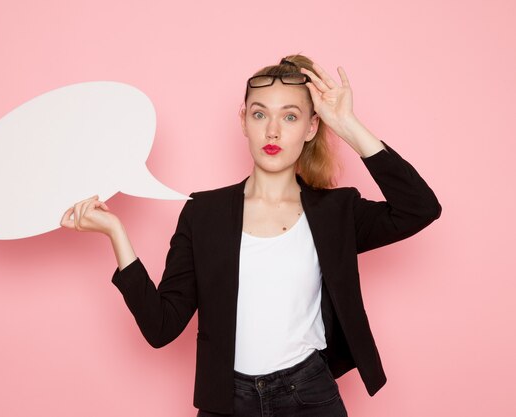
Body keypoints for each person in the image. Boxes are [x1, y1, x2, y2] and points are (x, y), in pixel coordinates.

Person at [60, 54, 442, 417]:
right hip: (227, 401)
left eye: (290, 117)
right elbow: (161, 327)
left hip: (310, 395)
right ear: (243, 120)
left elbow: (419, 208)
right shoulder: (203, 213)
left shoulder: (335, 212)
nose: (272, 131)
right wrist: (116, 233)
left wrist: (347, 125)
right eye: (260, 114)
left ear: (311, 127)